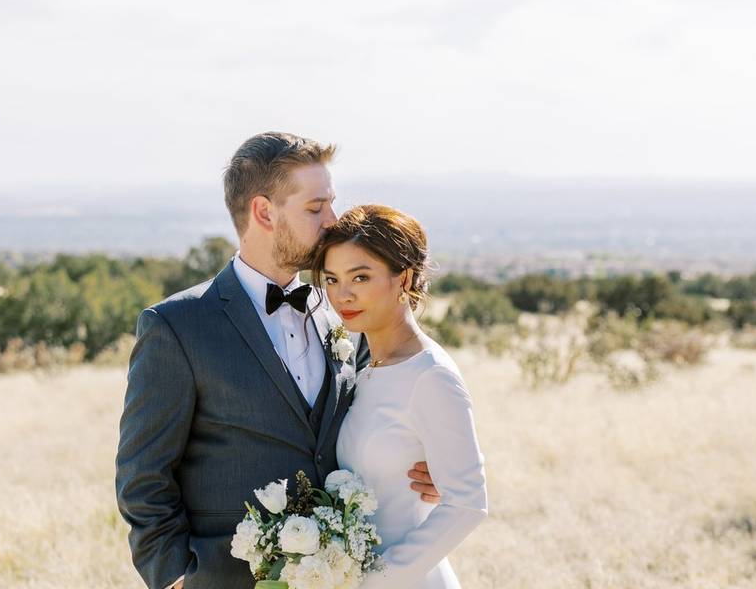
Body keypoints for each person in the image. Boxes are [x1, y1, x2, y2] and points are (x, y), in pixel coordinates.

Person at [115, 133, 439, 589]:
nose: (333, 221)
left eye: (332, 204)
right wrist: (172, 576)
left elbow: (386, 409)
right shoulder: (177, 327)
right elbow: (142, 476)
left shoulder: (344, 314)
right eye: (315, 207)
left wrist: (429, 465)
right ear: (264, 212)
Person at [311, 204, 488, 588]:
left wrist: (377, 580)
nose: (343, 295)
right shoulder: (365, 368)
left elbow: (467, 503)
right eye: (332, 279)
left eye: (360, 277)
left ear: (404, 278)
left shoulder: (431, 375)